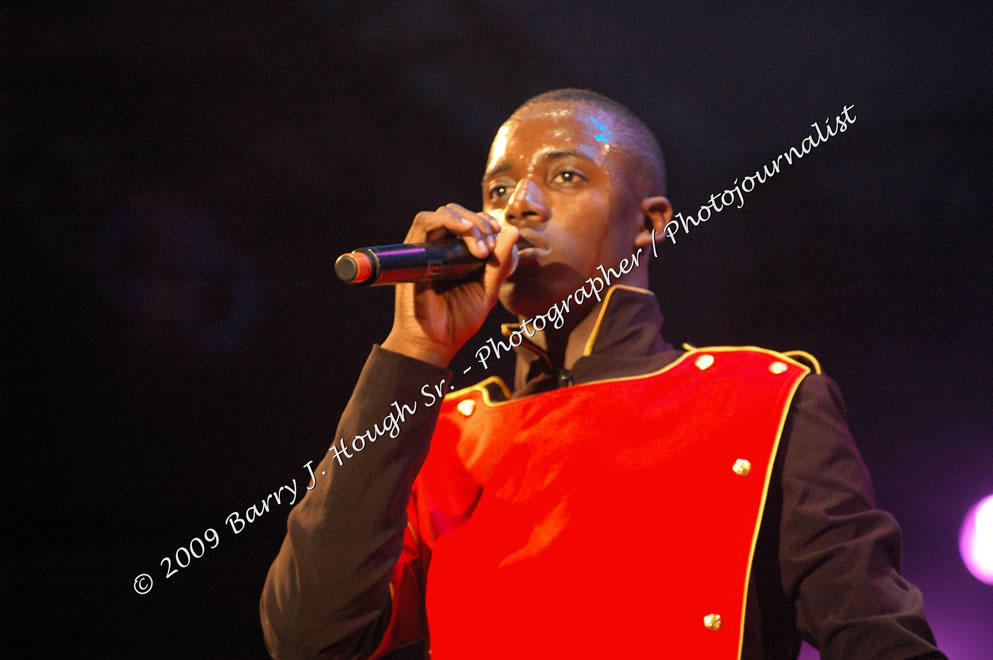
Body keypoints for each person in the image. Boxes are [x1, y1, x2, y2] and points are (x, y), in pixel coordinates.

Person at [260, 89, 945, 659]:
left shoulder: (764, 400)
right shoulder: (440, 433)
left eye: (565, 176)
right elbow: (308, 639)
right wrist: (413, 351)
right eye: (498, 187)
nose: (517, 204)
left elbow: (876, 639)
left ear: (648, 225)